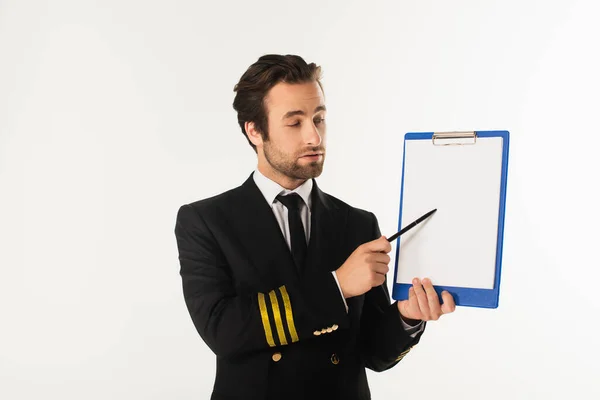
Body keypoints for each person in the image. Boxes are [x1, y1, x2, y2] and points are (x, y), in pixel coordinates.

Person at [174, 54, 456, 400]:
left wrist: (407, 316)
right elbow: (224, 330)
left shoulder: (358, 223)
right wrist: (337, 286)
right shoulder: (206, 221)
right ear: (254, 130)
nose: (313, 137)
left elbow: (374, 352)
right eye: (294, 123)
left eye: (319, 119)